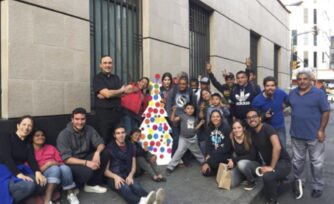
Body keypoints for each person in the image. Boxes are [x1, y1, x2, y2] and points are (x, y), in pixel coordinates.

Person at [288, 71, 330, 199]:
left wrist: (321, 130)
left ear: (310, 80)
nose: (302, 81)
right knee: (297, 162)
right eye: (299, 79)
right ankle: (299, 183)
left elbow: (326, 112)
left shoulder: (318, 93)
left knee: (317, 163)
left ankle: (318, 186)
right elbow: (285, 106)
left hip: (315, 135)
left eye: (305, 79)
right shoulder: (292, 93)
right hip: (296, 135)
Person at [104, 125, 165, 204]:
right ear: (114, 135)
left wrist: (130, 175)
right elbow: (105, 171)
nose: (121, 135)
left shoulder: (131, 146)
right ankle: (141, 202)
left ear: (125, 133)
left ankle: (152, 201)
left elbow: (133, 166)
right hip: (113, 176)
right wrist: (116, 177)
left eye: (122, 132)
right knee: (126, 189)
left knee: (136, 187)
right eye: (118, 133)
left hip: (127, 174)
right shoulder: (109, 148)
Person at [57, 107, 108, 194]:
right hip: (72, 163)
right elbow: (66, 159)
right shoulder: (63, 134)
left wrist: (97, 152)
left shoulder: (89, 129)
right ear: (72, 120)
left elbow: (101, 143)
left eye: (82, 119)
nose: (80, 122)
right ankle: (76, 186)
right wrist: (87, 163)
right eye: (77, 119)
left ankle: (91, 185)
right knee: (87, 172)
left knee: (105, 154)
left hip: (85, 157)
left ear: (85, 119)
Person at [246, 108, 291, 204]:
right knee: (265, 180)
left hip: (284, 162)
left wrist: (271, 167)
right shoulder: (253, 133)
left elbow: (277, 147)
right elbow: (253, 155)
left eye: (254, 117)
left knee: (267, 177)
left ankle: (273, 201)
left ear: (259, 118)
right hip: (271, 163)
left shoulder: (267, 128)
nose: (251, 119)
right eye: (249, 118)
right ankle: (285, 184)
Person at [0, 116, 47, 204]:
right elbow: (6, 157)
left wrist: (38, 172)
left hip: (20, 169)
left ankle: (25, 199)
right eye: (24, 124)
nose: (26, 128)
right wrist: (19, 174)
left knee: (42, 182)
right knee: (29, 185)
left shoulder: (28, 144)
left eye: (29, 126)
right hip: (4, 170)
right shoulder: (6, 136)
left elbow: (32, 160)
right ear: (18, 126)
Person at [32, 129, 79, 204]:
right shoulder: (29, 151)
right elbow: (31, 170)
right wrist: (48, 164)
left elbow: (61, 162)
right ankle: (47, 201)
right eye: (37, 135)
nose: (40, 137)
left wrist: (53, 163)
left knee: (65, 168)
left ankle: (70, 193)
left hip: (57, 171)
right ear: (32, 138)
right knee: (54, 169)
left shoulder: (50, 147)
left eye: (42, 135)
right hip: (41, 174)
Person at [93, 55, 132, 143]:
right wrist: (120, 90)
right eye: (105, 63)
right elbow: (109, 94)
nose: (108, 65)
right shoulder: (98, 78)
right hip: (103, 116)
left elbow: (121, 94)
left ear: (112, 65)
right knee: (104, 140)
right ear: (100, 65)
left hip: (117, 114)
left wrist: (109, 94)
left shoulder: (116, 78)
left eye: (110, 63)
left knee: (117, 140)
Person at [166, 103, 205, 175]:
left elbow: (194, 129)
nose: (190, 110)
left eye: (192, 108)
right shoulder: (182, 116)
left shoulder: (194, 118)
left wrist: (200, 124)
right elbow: (172, 120)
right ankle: (170, 167)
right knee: (179, 152)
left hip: (192, 139)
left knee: (197, 152)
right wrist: (174, 111)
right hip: (183, 139)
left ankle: (204, 163)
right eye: (188, 108)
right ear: (185, 110)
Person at [252, 76, 289, 148]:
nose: (270, 88)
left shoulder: (280, 93)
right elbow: (254, 117)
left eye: (272, 85)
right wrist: (264, 116)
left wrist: (284, 106)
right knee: (268, 150)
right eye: (267, 85)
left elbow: (289, 101)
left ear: (276, 86)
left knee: (282, 149)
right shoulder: (257, 100)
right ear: (264, 86)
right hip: (265, 128)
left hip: (279, 127)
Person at [227, 120, 258, 190]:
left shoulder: (250, 137)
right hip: (240, 164)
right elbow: (231, 152)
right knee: (231, 183)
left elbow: (252, 157)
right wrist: (231, 161)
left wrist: (234, 160)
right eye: (234, 128)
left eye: (239, 127)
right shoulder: (232, 139)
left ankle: (252, 181)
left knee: (241, 164)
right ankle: (244, 176)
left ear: (243, 128)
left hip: (254, 164)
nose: (236, 130)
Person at [201, 110, 232, 177]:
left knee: (212, 162)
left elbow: (227, 147)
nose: (215, 118)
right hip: (213, 155)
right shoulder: (209, 128)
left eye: (217, 116)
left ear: (221, 117)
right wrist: (206, 159)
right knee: (206, 173)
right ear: (211, 118)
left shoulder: (227, 128)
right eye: (213, 117)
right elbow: (208, 145)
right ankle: (218, 169)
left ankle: (220, 168)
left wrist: (209, 158)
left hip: (224, 154)